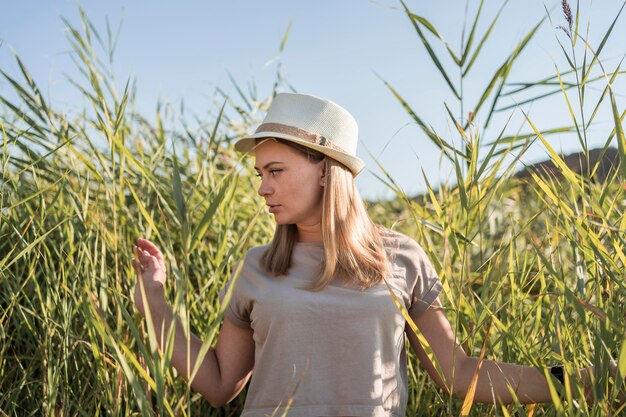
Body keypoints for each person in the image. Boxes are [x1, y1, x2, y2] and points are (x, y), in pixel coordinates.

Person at [131, 93, 618, 416]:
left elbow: (458, 373)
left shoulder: (401, 258)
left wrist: (577, 382)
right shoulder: (257, 267)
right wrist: (153, 303)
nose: (263, 188)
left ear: (326, 169)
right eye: (259, 174)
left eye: (275, 170)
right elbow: (220, 385)